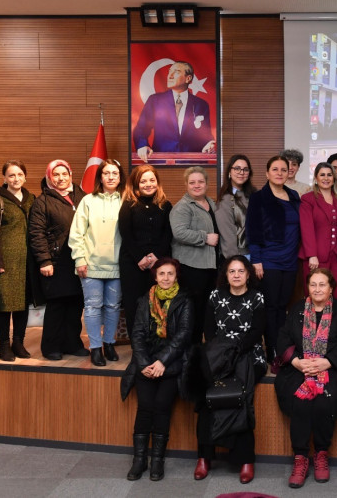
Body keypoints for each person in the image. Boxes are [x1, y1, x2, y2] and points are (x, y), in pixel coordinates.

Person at [275, 268, 337, 488]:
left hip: (333, 368)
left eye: (322, 285)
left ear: (331, 288)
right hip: (298, 367)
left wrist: (327, 362)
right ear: (308, 288)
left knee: (323, 402)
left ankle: (321, 453)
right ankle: (300, 457)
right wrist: (296, 362)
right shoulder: (298, 308)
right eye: (313, 284)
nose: (318, 289)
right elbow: (282, 339)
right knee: (300, 402)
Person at [193, 256, 266, 485]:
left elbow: (256, 332)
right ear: (225, 275)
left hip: (249, 356)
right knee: (207, 397)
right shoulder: (215, 296)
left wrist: (234, 353)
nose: (236, 275)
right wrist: (221, 356)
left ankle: (245, 460)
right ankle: (204, 457)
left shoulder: (257, 297)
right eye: (231, 271)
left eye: (240, 271)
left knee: (240, 397)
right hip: (218, 355)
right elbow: (209, 330)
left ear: (247, 274)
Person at [121, 257, 191, 482]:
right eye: (162, 274)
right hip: (146, 363)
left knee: (161, 405)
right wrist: (144, 364)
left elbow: (183, 337)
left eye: (170, 274)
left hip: (171, 363)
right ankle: (139, 460)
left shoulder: (185, 301)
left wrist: (162, 362)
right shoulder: (145, 300)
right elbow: (138, 334)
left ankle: (157, 460)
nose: (166, 278)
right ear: (155, 276)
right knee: (145, 407)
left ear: (176, 276)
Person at [28, 160, 88, 361]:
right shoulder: (42, 202)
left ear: (71, 174)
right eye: (56, 174)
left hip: (78, 260)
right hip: (54, 263)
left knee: (75, 305)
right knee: (57, 306)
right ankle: (51, 346)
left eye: (65, 174)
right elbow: (36, 234)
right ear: (49, 177)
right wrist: (44, 260)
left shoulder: (82, 196)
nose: (61, 178)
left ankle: (72, 344)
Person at [69, 159, 125, 367]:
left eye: (115, 173)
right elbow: (77, 234)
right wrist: (80, 259)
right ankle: (95, 347)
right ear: (100, 177)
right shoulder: (88, 201)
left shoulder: (126, 200)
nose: (111, 177)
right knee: (92, 307)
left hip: (118, 265)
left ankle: (109, 343)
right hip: (91, 265)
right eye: (106, 173)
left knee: (112, 307)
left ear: (120, 177)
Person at [246, 155, 302, 361]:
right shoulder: (259, 198)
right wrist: (256, 260)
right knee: (271, 307)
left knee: (283, 306)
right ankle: (272, 350)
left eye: (283, 170)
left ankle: (282, 346)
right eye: (275, 169)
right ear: (267, 173)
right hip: (268, 260)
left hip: (290, 260)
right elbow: (253, 231)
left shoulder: (294, 195)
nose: (280, 173)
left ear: (289, 172)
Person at [0, 160, 35, 362]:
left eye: (19, 174)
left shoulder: (31, 198)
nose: (16, 179)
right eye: (11, 175)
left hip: (26, 261)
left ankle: (18, 342)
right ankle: (4, 345)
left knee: (22, 304)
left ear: (25, 176)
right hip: (4, 260)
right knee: (4, 305)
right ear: (4, 178)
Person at [169, 166, 219, 345]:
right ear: (186, 185)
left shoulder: (211, 203)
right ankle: (192, 351)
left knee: (206, 310)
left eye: (200, 182)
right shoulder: (182, 207)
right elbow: (179, 232)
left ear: (207, 183)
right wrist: (205, 237)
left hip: (209, 266)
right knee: (193, 312)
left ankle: (202, 351)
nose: (197, 185)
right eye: (192, 182)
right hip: (191, 267)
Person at [118, 164, 172, 326]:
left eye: (152, 180)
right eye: (143, 181)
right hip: (133, 264)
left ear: (158, 182)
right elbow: (125, 233)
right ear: (136, 184)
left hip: (159, 264)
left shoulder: (166, 205)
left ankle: (156, 345)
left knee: (157, 306)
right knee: (134, 307)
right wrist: (139, 257)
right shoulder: (128, 205)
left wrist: (156, 255)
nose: (148, 184)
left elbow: (168, 234)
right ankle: (138, 348)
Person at [133, 61, 215, 161]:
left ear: (188, 78)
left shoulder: (201, 104)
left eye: (176, 72)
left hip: (193, 164)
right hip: (162, 162)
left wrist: (209, 144)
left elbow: (205, 135)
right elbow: (141, 129)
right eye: (169, 72)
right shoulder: (155, 101)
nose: (170, 76)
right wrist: (142, 145)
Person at [299, 162, 337, 299]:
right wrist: (311, 255)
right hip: (316, 258)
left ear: (334, 178)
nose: (326, 178)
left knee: (336, 295)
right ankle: (314, 321)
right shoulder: (308, 199)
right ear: (316, 178)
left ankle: (333, 321)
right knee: (316, 295)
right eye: (322, 175)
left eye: (329, 175)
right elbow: (306, 229)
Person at [215, 154, 256, 260]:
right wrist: (235, 261)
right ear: (229, 171)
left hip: (257, 255)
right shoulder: (226, 199)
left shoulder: (254, 195)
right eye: (237, 168)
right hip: (239, 256)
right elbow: (228, 236)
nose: (241, 172)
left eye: (245, 169)